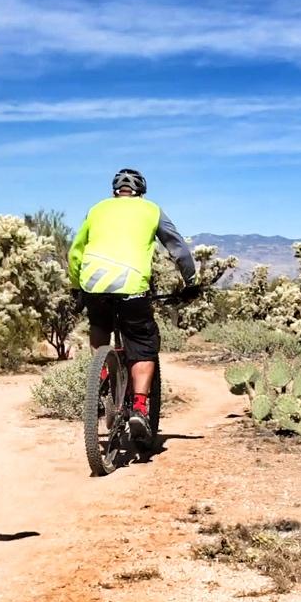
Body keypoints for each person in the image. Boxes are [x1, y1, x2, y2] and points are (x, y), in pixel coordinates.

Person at [68, 168, 200, 440]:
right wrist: (191, 282)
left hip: (94, 284)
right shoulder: (151, 210)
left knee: (99, 324)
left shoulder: (96, 210)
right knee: (142, 343)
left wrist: (75, 286)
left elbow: (76, 251)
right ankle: (139, 407)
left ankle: (101, 377)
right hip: (132, 287)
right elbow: (178, 248)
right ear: (141, 191)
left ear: (115, 191)